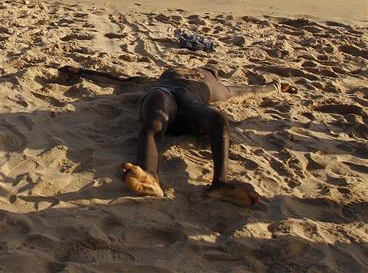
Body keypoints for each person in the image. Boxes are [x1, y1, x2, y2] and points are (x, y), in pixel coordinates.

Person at [59, 65, 289, 207]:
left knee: (219, 120)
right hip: (164, 93)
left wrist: (275, 86)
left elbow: (246, 90)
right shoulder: (167, 78)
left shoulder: (216, 85)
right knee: (154, 124)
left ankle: (220, 184)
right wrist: (84, 72)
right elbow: (122, 81)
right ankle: (150, 176)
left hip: (191, 104)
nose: (193, 68)